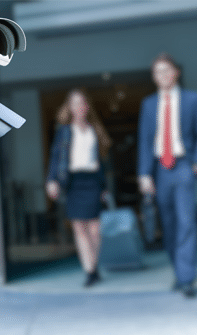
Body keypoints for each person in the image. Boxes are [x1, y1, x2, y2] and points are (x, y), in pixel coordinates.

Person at [138, 53, 197, 297]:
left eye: (166, 70)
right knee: (168, 226)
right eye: (157, 72)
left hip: (183, 166)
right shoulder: (148, 104)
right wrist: (144, 174)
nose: (162, 75)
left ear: (175, 72)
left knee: (187, 222)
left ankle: (187, 278)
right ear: (154, 77)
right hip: (160, 170)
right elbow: (145, 141)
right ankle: (179, 272)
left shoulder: (192, 99)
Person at [45, 88, 112, 287]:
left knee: (95, 229)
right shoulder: (64, 131)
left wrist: (105, 187)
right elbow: (56, 157)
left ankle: (94, 265)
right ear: (70, 107)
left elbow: (102, 162)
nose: (78, 107)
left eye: (81, 103)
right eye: (74, 103)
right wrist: (51, 180)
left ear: (86, 106)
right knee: (79, 228)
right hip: (73, 182)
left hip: (92, 181)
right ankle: (90, 270)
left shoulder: (95, 130)